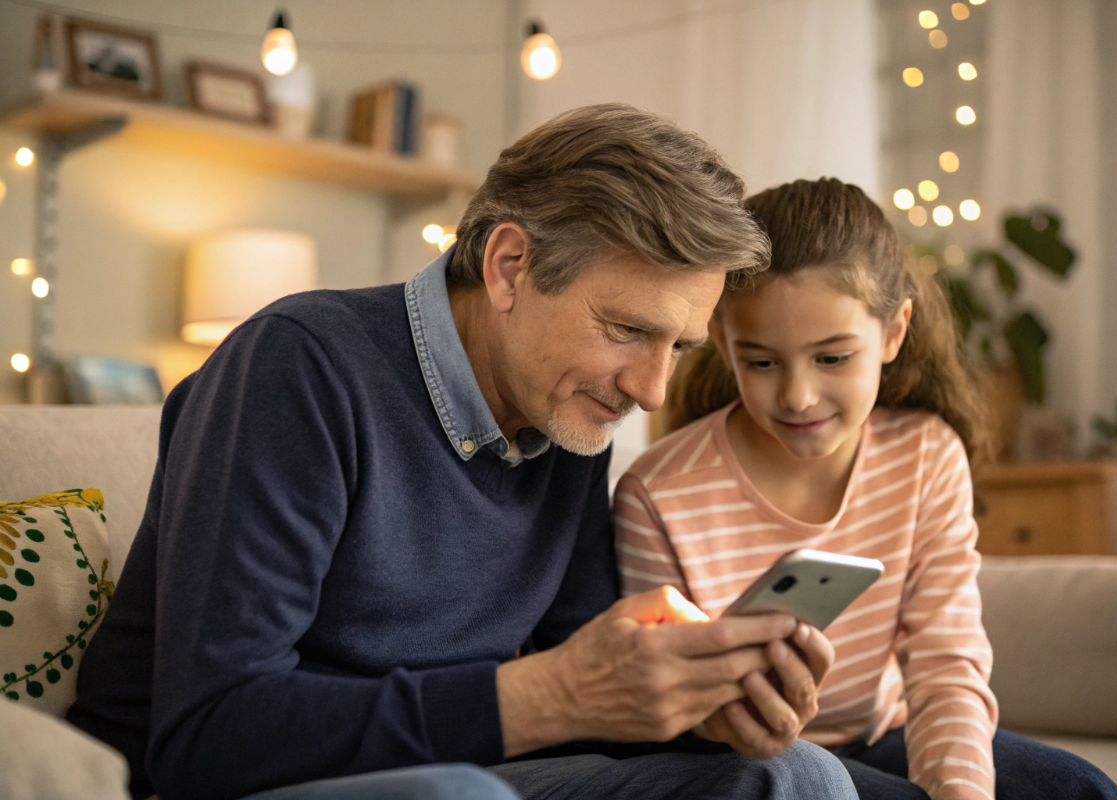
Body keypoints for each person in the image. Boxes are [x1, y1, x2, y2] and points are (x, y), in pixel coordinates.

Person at [66, 107, 857, 800]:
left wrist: (701, 711)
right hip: (243, 783)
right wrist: (547, 696)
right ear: (510, 266)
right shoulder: (298, 366)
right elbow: (207, 735)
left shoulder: (567, 417)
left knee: (803, 774)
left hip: (468, 775)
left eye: (679, 347)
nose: (651, 390)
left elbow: (588, 704)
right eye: (627, 329)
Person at [614, 177, 1117, 800]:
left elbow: (946, 666)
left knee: (1083, 790)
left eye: (831, 358)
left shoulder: (925, 454)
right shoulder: (657, 492)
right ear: (723, 341)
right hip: (746, 759)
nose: (798, 396)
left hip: (886, 732)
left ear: (893, 332)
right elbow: (667, 704)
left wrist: (961, 791)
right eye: (762, 362)